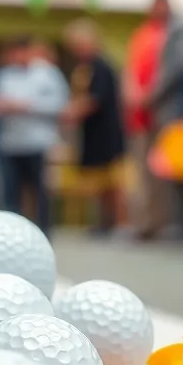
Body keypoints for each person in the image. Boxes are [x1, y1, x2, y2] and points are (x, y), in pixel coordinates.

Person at [0, 35, 70, 234]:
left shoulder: (48, 73)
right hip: (10, 143)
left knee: (40, 193)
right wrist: (4, 107)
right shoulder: (4, 75)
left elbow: (60, 105)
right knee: (10, 194)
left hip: (38, 143)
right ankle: (10, 233)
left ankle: (43, 232)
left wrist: (29, 107)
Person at [64, 19, 127, 236]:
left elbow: (95, 99)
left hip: (106, 131)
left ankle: (119, 224)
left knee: (113, 182)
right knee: (99, 183)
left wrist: (72, 112)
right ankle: (105, 223)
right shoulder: (86, 67)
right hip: (92, 132)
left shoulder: (101, 67)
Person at [122, 0, 172, 239]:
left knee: (161, 172)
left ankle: (162, 223)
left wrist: (150, 95)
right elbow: (130, 69)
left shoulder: (172, 36)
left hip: (162, 115)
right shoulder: (141, 36)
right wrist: (134, 95)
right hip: (140, 117)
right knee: (140, 173)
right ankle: (142, 223)